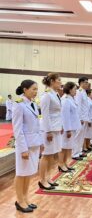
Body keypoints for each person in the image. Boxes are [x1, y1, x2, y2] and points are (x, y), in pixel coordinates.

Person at [12, 80, 43, 213]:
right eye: (33, 89)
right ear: (25, 89)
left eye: (37, 89)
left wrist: (41, 142)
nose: (36, 92)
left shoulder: (32, 104)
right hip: (25, 145)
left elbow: (37, 126)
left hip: (34, 143)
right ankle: (19, 200)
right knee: (21, 173)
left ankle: (25, 198)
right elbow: (17, 130)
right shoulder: (19, 105)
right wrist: (23, 149)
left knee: (28, 173)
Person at [39, 73, 63, 190]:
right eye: (59, 80)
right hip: (49, 129)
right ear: (52, 81)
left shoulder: (55, 94)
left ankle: (48, 177)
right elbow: (45, 114)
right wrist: (48, 131)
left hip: (56, 128)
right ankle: (42, 180)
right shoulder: (47, 95)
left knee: (53, 155)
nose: (60, 82)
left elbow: (58, 113)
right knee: (46, 156)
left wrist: (61, 126)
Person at [59, 82, 81, 172]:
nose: (76, 91)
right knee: (63, 147)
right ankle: (61, 164)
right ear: (70, 89)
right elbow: (65, 116)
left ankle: (65, 163)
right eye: (75, 89)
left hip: (72, 127)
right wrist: (67, 130)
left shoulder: (71, 98)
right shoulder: (65, 99)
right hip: (67, 128)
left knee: (68, 147)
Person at [72, 77, 90, 160]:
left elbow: (85, 107)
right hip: (81, 119)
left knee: (81, 136)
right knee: (77, 136)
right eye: (86, 82)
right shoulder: (79, 92)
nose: (87, 84)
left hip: (84, 118)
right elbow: (78, 106)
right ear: (81, 83)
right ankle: (74, 153)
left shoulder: (84, 92)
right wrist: (79, 119)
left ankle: (79, 152)